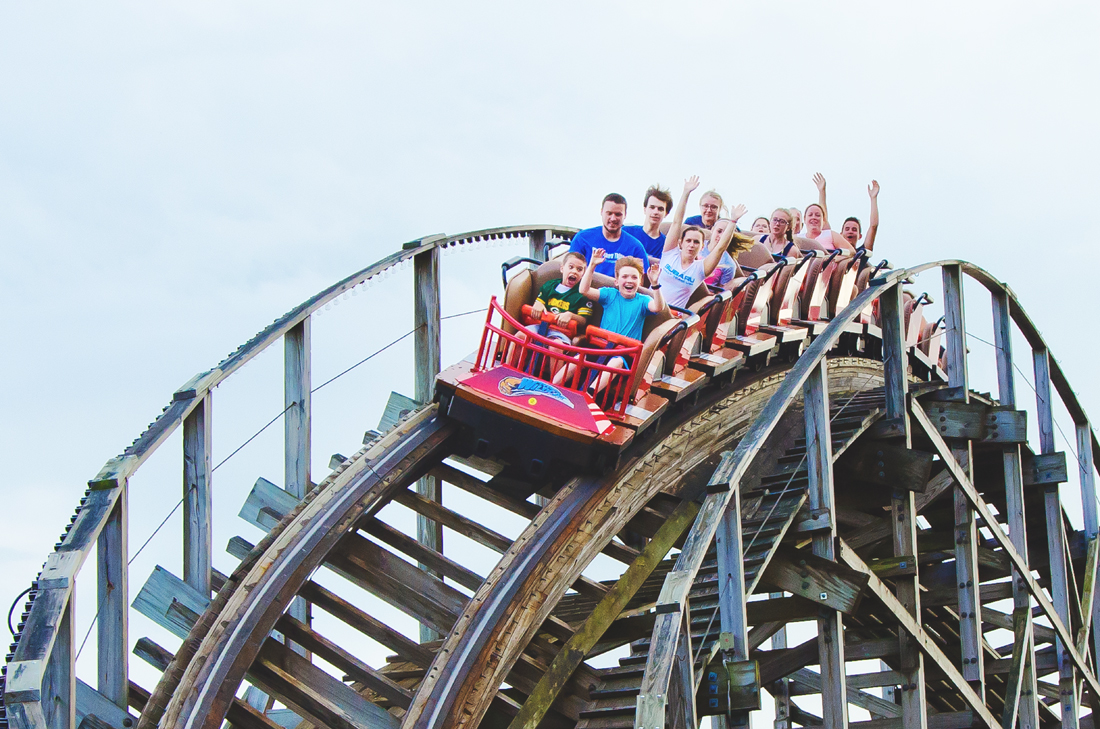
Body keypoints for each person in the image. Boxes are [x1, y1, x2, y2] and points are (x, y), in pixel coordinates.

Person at [576, 249, 664, 393]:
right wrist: (592, 265)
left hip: (624, 353)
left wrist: (654, 283)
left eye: (634, 277)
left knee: (615, 362)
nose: (629, 280)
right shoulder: (610, 295)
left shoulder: (643, 301)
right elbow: (583, 290)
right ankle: (553, 385)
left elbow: (658, 307)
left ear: (640, 281)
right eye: (625, 276)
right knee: (580, 356)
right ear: (616, 281)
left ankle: (590, 393)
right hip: (601, 347)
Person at [659, 178, 751, 309]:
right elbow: (676, 223)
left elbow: (720, 249)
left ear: (702, 247)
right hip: (651, 303)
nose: (691, 245)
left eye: (696, 242)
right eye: (688, 241)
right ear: (681, 243)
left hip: (670, 313)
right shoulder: (670, 254)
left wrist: (733, 221)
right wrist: (686, 192)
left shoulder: (699, 269)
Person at [569, 193, 649, 277]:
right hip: (587, 288)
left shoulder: (635, 247)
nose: (613, 218)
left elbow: (643, 281)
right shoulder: (582, 238)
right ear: (601, 212)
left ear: (625, 215)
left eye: (618, 214)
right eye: (609, 213)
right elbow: (570, 270)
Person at [527, 251, 592, 343]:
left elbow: (583, 320)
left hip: (562, 332)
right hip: (540, 326)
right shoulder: (549, 286)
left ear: (583, 274)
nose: (574, 271)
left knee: (556, 345)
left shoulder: (583, 295)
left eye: (579, 269)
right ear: (562, 268)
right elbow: (539, 302)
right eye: (571, 267)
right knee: (521, 335)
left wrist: (570, 315)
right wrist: (538, 304)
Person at [802, 173, 855, 252]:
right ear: (805, 219)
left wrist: (836, 259)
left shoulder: (830, 235)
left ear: (823, 220)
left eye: (817, 215)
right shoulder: (798, 238)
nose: (814, 217)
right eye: (810, 215)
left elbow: (851, 251)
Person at [622, 185, 673, 259]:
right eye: (652, 207)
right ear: (645, 209)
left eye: (660, 209)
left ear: (666, 213)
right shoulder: (626, 232)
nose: (655, 212)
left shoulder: (666, 244)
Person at [703, 218, 746, 290]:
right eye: (719, 231)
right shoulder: (695, 245)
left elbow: (720, 293)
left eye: (726, 234)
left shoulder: (729, 265)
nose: (721, 237)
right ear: (712, 229)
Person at [839, 180, 880, 252]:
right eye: (847, 229)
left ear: (859, 236)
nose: (850, 231)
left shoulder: (861, 253)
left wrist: (873, 198)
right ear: (841, 234)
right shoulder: (834, 253)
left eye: (854, 229)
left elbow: (873, 226)